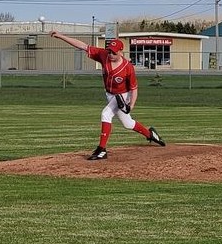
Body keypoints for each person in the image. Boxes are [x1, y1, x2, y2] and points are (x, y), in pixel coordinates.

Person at [49, 31, 165, 160]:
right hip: (110, 94)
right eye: (109, 51)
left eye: (114, 52)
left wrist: (131, 105)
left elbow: (134, 89)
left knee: (106, 114)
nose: (110, 54)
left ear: (121, 52)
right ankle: (150, 134)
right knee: (128, 123)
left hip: (122, 95)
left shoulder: (128, 68)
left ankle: (102, 149)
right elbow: (82, 46)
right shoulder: (104, 55)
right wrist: (61, 36)